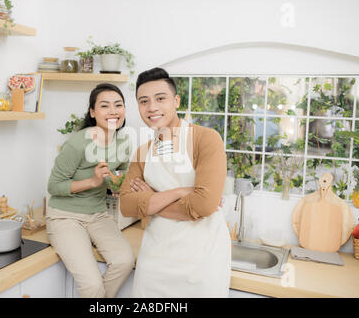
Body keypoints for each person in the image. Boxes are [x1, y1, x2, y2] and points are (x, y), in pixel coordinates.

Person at [119, 68, 231, 297]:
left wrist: (151, 199)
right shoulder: (143, 152)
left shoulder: (206, 139)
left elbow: (204, 205)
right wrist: (181, 191)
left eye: (160, 98)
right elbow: (126, 205)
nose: (152, 107)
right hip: (154, 261)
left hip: (201, 262)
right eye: (143, 101)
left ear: (176, 101)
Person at [46, 83, 134, 298]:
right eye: (105, 106)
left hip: (98, 214)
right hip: (65, 217)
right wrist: (93, 182)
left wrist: (118, 182)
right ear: (93, 113)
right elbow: (54, 186)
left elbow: (120, 172)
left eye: (118, 105)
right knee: (92, 286)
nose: (113, 111)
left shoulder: (124, 141)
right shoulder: (78, 143)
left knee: (125, 261)